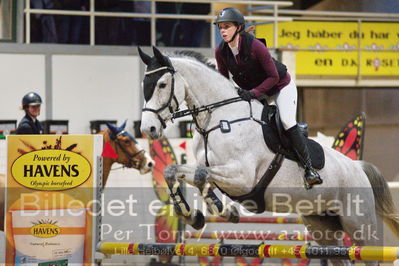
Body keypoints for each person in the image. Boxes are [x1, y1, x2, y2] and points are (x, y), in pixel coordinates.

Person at [214, 7, 322, 187]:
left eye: (227, 26)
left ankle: (309, 169)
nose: (222, 31)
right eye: (220, 27)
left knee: (287, 121)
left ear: (239, 28)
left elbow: (273, 77)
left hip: (280, 86)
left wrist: (253, 94)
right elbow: (223, 80)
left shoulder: (256, 46)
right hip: (256, 92)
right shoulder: (221, 51)